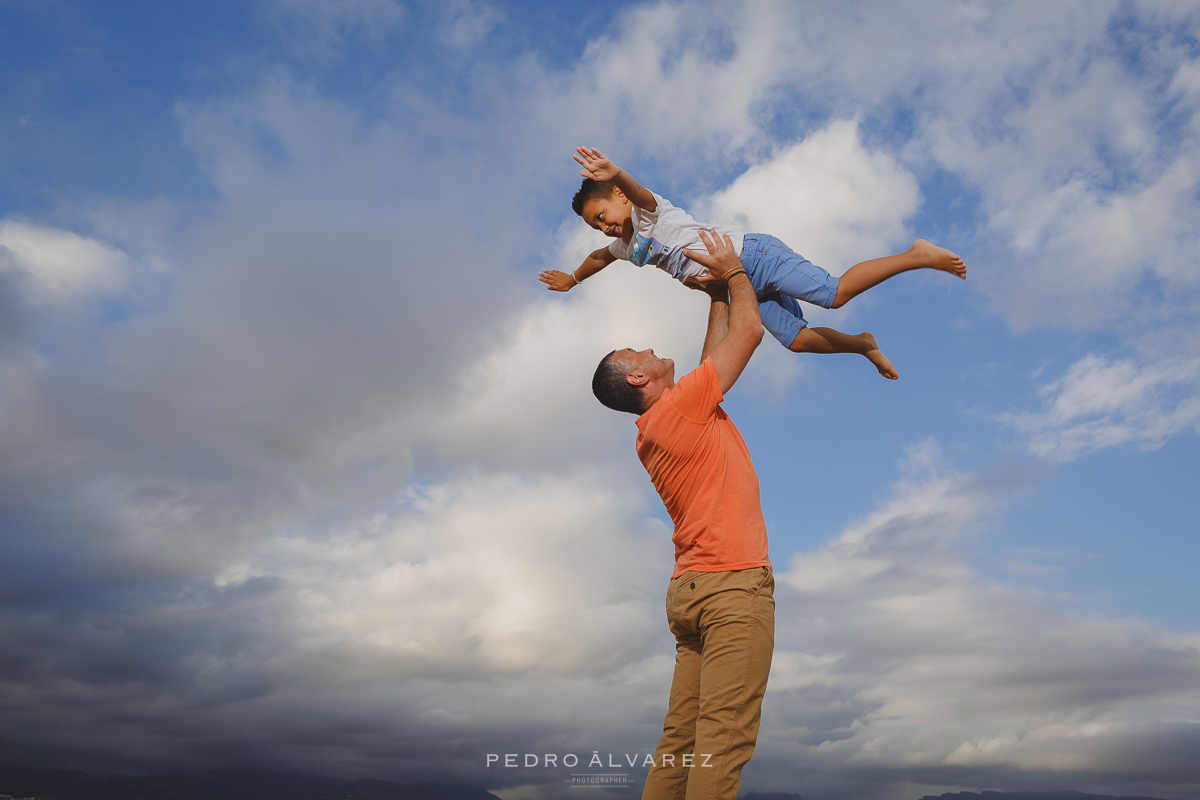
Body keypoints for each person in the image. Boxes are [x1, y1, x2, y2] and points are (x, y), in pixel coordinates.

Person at [591, 230, 773, 800]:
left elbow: (711, 361)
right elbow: (749, 333)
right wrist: (736, 274)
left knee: (681, 742)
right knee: (722, 741)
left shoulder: (657, 427)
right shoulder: (680, 411)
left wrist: (716, 294)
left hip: (690, 591)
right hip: (731, 586)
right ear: (639, 379)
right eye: (636, 353)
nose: (646, 348)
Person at [543, 147, 968, 380]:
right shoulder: (623, 246)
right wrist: (575, 278)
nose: (605, 229)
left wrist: (617, 174)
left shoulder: (646, 214)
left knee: (832, 294)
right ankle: (863, 344)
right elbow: (600, 257)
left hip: (753, 257)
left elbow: (640, 195)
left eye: (602, 217)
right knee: (798, 342)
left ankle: (915, 254)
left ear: (617, 198)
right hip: (737, 284)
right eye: (596, 227)